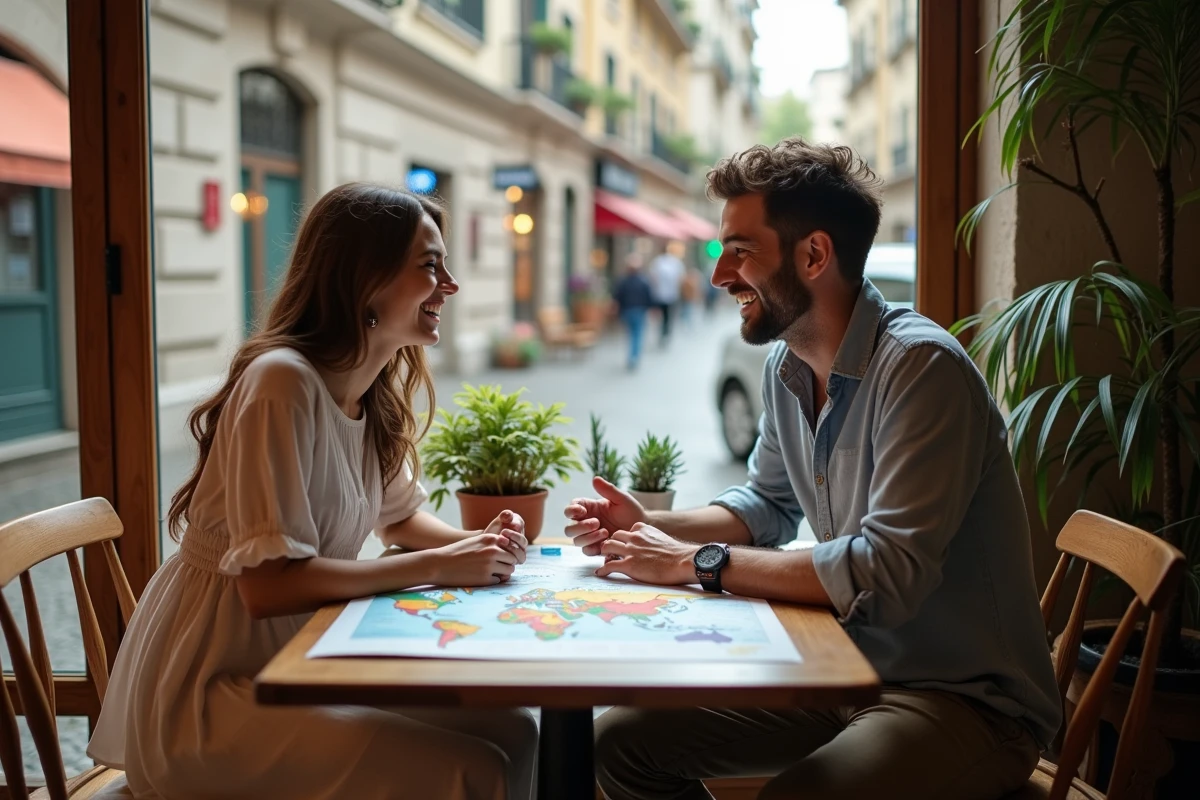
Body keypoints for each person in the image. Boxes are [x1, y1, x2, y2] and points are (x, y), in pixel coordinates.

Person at [564, 139, 1061, 800]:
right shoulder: (787, 366)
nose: (718, 276)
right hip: (840, 666)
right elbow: (766, 504)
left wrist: (695, 562)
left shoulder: (921, 370)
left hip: (962, 699)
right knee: (617, 743)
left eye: (740, 251)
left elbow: (886, 575)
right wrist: (653, 524)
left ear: (814, 255)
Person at [88, 184, 539, 800]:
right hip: (213, 693)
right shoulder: (282, 384)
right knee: (474, 769)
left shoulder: (368, 391)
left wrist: (481, 542)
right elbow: (271, 584)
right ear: (365, 277)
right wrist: (438, 564)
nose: (451, 284)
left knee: (517, 732)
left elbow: (402, 520)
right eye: (430, 266)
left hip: (303, 659)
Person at [611, 252, 654, 370]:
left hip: (627, 311)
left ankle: (632, 356)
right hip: (639, 311)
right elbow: (649, 297)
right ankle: (634, 356)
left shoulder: (623, 281)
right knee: (637, 334)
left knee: (631, 334)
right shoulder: (643, 281)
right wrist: (651, 309)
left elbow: (617, 297)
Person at [647, 241, 686, 345]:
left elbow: (653, 278)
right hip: (671, 295)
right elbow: (680, 278)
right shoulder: (674, 262)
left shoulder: (657, 262)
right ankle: (665, 332)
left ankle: (663, 333)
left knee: (662, 316)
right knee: (668, 316)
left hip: (660, 295)